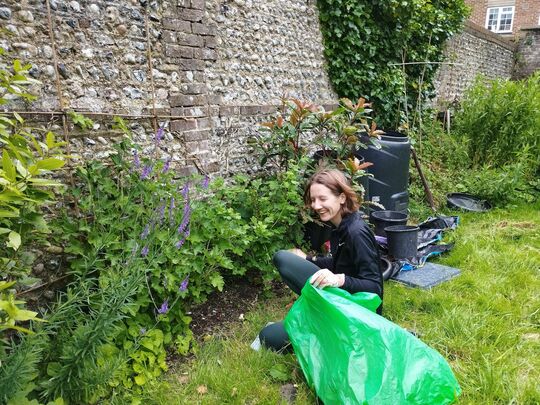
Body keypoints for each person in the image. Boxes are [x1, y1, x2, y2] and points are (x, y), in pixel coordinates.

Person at [259, 168, 383, 352]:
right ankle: (322, 322)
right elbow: (337, 264)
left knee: (282, 259)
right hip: (339, 305)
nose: (316, 206)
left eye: (322, 199)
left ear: (342, 197)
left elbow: (375, 287)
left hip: (358, 317)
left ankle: (338, 335)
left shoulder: (356, 233)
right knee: (268, 335)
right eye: (313, 200)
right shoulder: (339, 227)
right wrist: (308, 259)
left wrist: (339, 279)